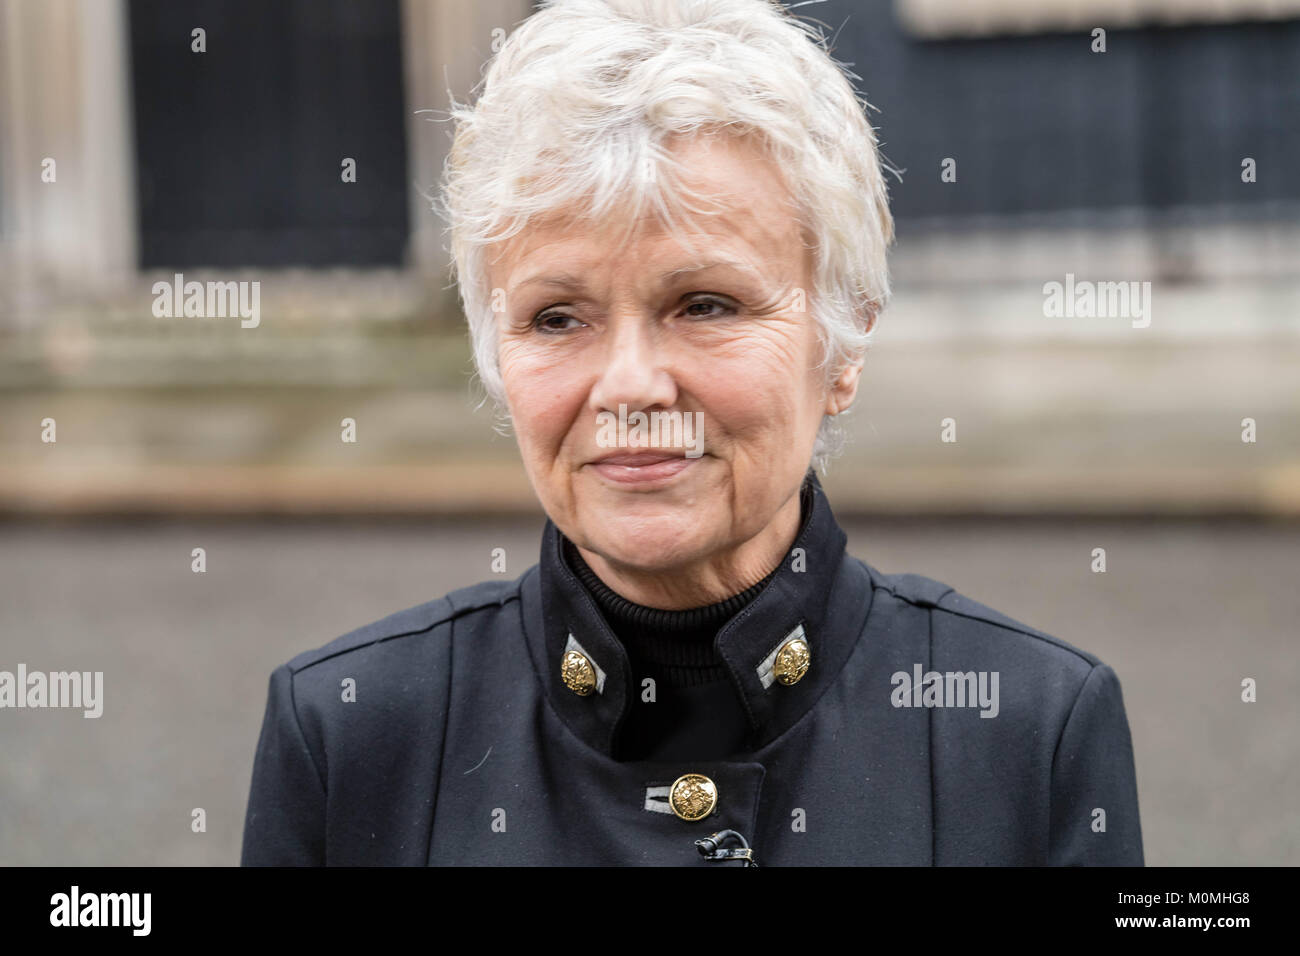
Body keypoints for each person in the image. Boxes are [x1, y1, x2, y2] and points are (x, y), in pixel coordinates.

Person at [241, 0, 1142, 866]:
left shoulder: (1031, 731)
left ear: (843, 343)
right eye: (557, 318)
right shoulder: (348, 737)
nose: (630, 385)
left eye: (705, 304)